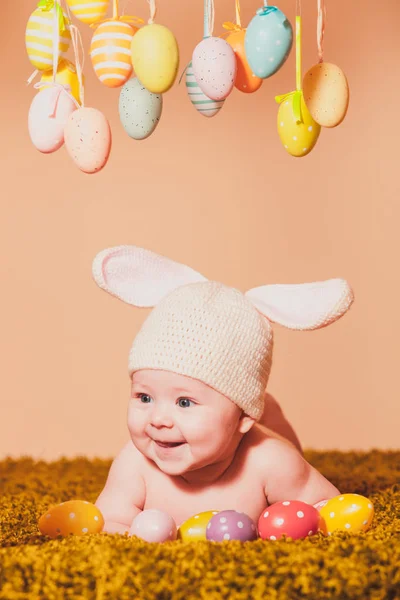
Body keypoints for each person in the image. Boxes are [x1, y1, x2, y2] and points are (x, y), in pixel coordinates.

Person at [92, 245, 354, 534]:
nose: (158, 419)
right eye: (145, 397)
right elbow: (110, 521)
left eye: (184, 403)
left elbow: (327, 509)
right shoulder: (135, 464)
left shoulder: (271, 462)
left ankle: (271, 411)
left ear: (244, 417)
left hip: (265, 434)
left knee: (278, 432)